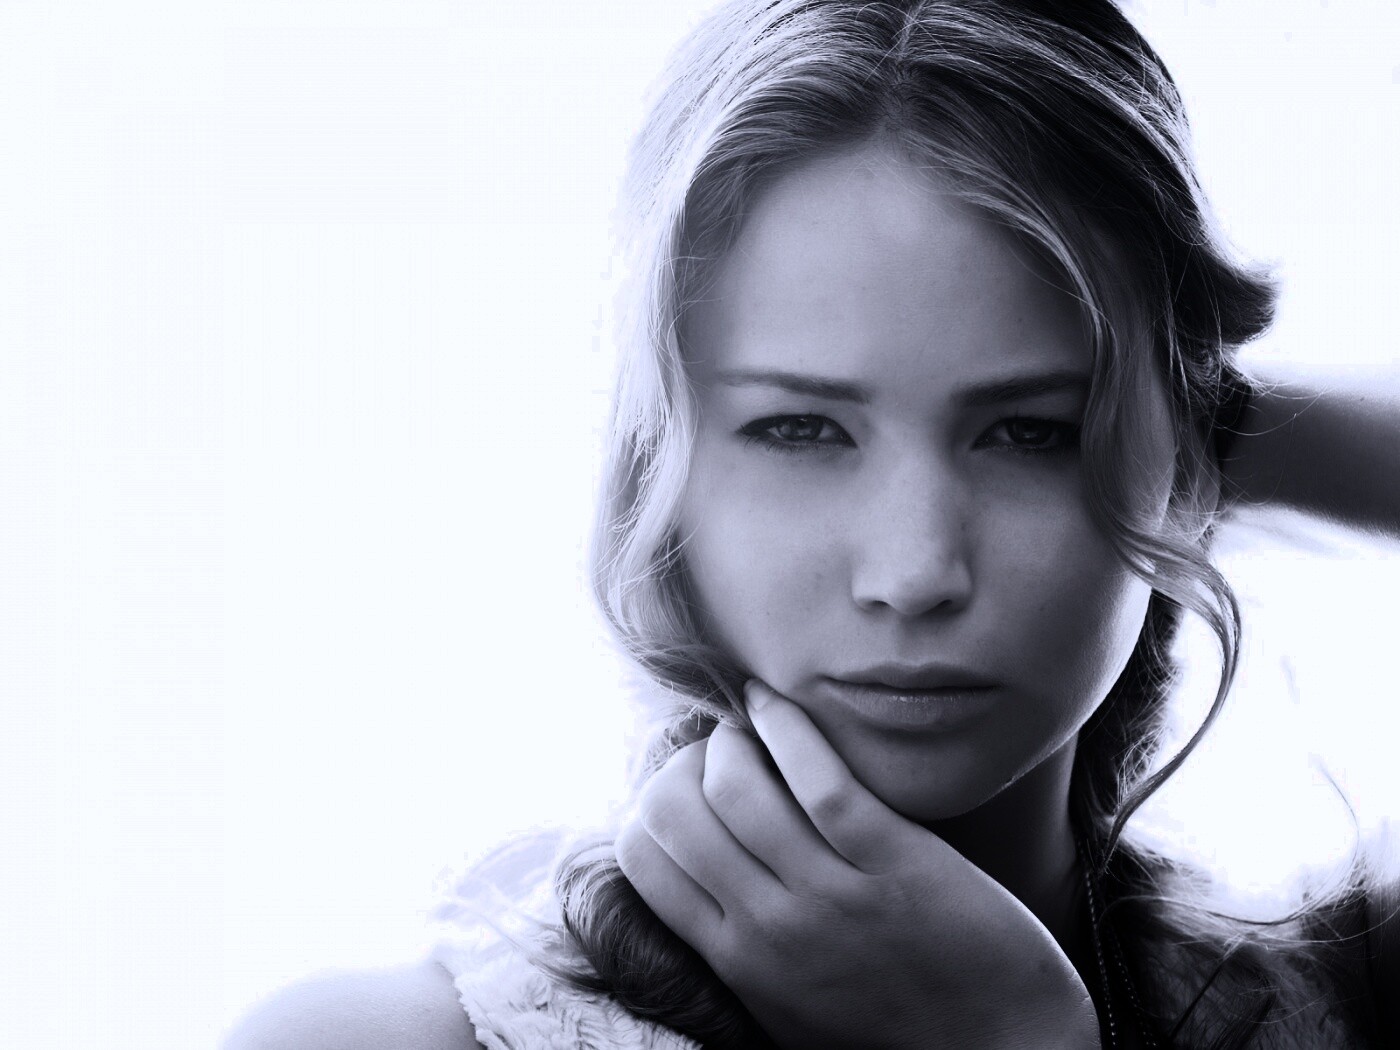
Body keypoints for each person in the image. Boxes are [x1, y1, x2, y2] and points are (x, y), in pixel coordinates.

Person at [222, 1, 1400, 1046]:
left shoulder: (1342, 997)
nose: (914, 572)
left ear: (1186, 461)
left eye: (1030, 431)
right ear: (653, 466)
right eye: (798, 429)